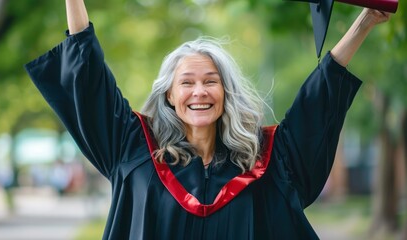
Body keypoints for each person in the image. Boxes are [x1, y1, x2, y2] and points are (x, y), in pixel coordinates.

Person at [25, 0, 390, 239]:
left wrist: (366, 22)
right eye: (186, 82)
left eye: (210, 81)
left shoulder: (266, 160)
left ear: (225, 92)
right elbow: (90, 79)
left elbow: (318, 104)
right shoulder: (133, 148)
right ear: (169, 94)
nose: (199, 91)